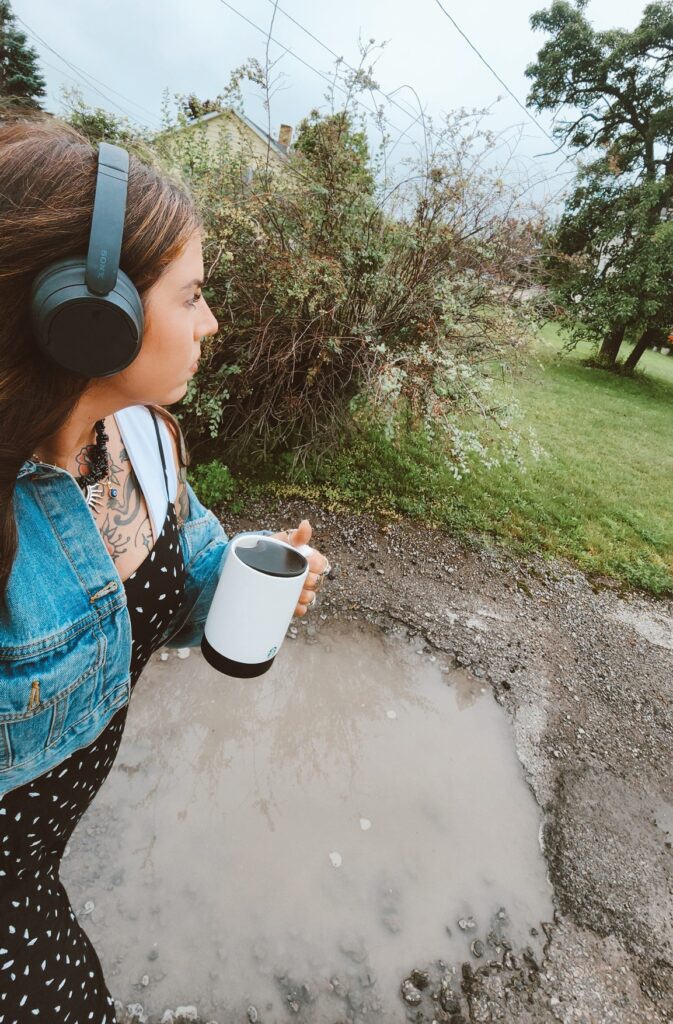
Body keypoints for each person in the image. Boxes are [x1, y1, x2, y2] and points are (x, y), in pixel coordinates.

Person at [0, 106, 331, 1020]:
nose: (212, 322)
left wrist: (245, 581)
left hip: (39, 866)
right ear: (86, 319)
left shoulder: (140, 439)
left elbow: (176, 580)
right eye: (189, 295)